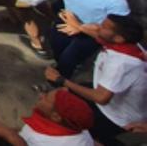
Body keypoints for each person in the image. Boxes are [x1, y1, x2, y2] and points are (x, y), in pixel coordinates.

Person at [43, 15, 146, 146]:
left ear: (119, 38)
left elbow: (101, 97)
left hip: (113, 116)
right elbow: (97, 33)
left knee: (82, 137)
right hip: (109, 99)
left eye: (104, 27)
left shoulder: (120, 63)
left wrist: (61, 80)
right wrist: (79, 26)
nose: (97, 27)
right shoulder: (129, 45)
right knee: (66, 96)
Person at [22, 0, 129, 78]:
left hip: (91, 34)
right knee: (56, 47)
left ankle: (60, 85)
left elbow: (116, 32)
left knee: (69, 59)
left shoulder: (115, 1)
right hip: (66, 22)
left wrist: (80, 27)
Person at [14, 88, 96, 146]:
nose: (41, 95)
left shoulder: (40, 141)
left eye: (46, 98)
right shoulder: (77, 126)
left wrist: (7, 133)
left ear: (55, 116)